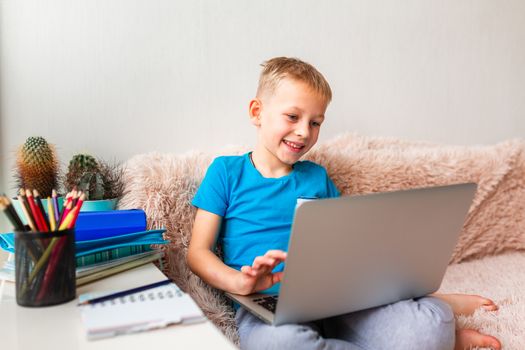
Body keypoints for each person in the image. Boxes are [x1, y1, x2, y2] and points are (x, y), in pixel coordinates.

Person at [187, 57, 501, 350]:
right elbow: (197, 253)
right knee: (280, 345)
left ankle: (436, 331)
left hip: (337, 300)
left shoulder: (316, 178)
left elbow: (349, 245)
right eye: (293, 117)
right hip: (266, 306)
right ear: (257, 112)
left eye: (315, 122)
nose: (303, 132)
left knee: (426, 328)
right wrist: (239, 282)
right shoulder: (226, 172)